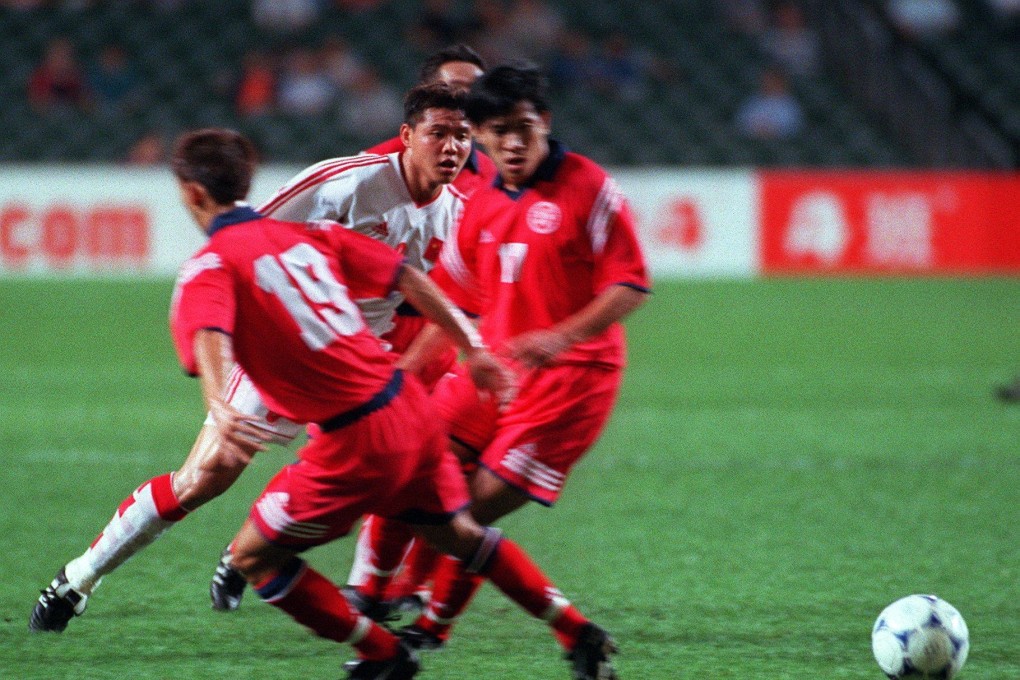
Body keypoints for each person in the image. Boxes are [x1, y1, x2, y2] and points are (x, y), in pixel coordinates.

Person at [29, 82, 473, 631]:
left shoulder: (456, 214)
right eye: (440, 133)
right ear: (407, 136)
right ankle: (79, 578)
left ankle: (280, 562)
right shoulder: (346, 182)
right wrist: (222, 393)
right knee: (206, 476)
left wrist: (463, 349)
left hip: (358, 368)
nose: (452, 147)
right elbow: (250, 244)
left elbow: (423, 288)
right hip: (284, 354)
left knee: (389, 471)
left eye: (462, 135)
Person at [176, 127, 615, 679]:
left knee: (251, 558)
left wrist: (218, 400)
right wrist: (471, 348)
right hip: (409, 409)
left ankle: (384, 654)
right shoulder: (313, 236)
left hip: (354, 439)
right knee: (459, 535)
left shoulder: (208, 266)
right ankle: (577, 630)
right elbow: (408, 274)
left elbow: (209, 333)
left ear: (192, 194)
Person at [350, 64, 649, 665]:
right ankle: (377, 599)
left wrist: (561, 337)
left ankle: (426, 622)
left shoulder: (590, 190)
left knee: (462, 511)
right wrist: (405, 372)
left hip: (573, 380)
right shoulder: (482, 206)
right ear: (481, 137)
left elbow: (630, 285)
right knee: (408, 467)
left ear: (546, 123)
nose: (513, 143)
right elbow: (454, 304)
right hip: (496, 371)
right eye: (498, 132)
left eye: (524, 129)